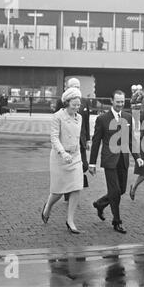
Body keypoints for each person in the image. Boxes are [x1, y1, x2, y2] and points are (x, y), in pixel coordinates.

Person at [89, 90, 144, 234]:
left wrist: (137, 156)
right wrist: (92, 163)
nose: (120, 104)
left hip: (123, 159)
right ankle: (117, 221)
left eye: (122, 101)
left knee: (122, 190)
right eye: (118, 101)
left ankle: (100, 204)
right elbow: (96, 142)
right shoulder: (102, 119)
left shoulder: (128, 117)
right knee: (114, 191)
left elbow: (131, 140)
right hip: (109, 160)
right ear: (111, 101)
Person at [41, 87, 84, 234]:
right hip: (60, 158)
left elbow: (78, 138)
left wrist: (78, 153)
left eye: (79, 105)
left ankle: (70, 220)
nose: (77, 108)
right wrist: (63, 153)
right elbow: (54, 138)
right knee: (58, 191)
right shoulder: (57, 116)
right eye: (74, 105)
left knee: (77, 187)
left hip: (75, 157)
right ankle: (48, 207)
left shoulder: (80, 118)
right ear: (67, 103)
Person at [56, 78, 90, 204]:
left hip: (80, 140)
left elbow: (86, 121)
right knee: (68, 167)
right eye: (73, 87)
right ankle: (68, 191)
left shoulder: (85, 101)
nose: (76, 89)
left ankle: (74, 186)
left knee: (84, 165)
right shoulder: (62, 101)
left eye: (78, 86)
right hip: (67, 142)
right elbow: (58, 121)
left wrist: (88, 139)